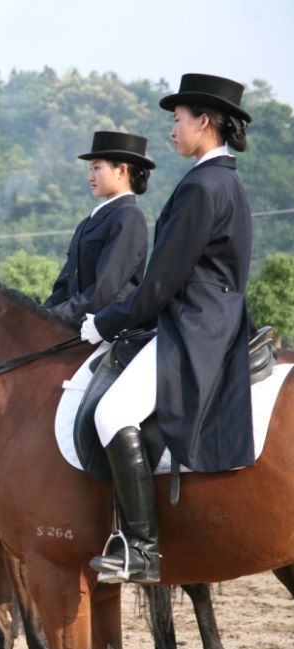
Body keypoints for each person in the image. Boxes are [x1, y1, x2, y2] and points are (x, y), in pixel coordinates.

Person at [84, 74, 254, 583]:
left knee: (112, 412)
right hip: (212, 318)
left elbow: (159, 282)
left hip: (194, 326)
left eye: (177, 120)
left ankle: (142, 547)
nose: (172, 130)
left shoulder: (203, 186)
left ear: (204, 121)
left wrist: (104, 323)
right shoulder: (225, 180)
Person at [45, 132, 153, 325]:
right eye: (90, 169)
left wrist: (59, 315)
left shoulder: (129, 216)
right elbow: (65, 284)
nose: (90, 177)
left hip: (109, 326)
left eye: (96, 168)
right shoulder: (87, 222)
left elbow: (106, 288)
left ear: (121, 170)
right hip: (78, 322)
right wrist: (41, 314)